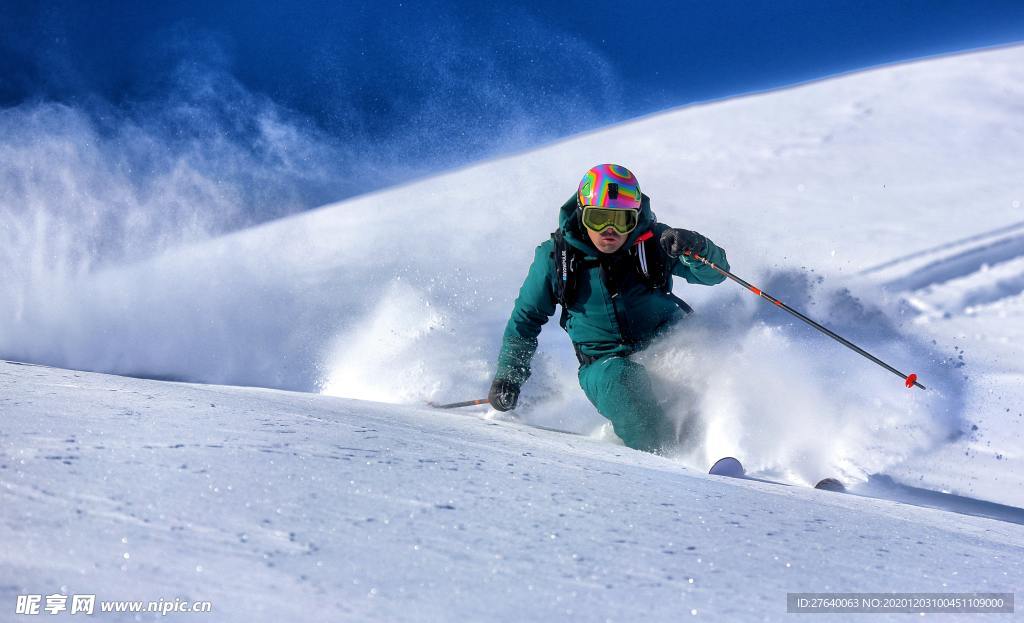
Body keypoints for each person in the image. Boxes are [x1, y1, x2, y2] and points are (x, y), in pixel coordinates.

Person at [488, 164, 730, 453]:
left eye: (622, 220)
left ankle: (724, 446)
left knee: (712, 367)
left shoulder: (654, 242)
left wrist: (696, 246)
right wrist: (509, 376)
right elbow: (526, 320)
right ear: (582, 213)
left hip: (668, 344)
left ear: (635, 218)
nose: (610, 230)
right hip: (604, 364)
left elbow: (715, 275)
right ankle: (673, 459)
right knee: (622, 381)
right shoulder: (554, 258)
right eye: (599, 218)